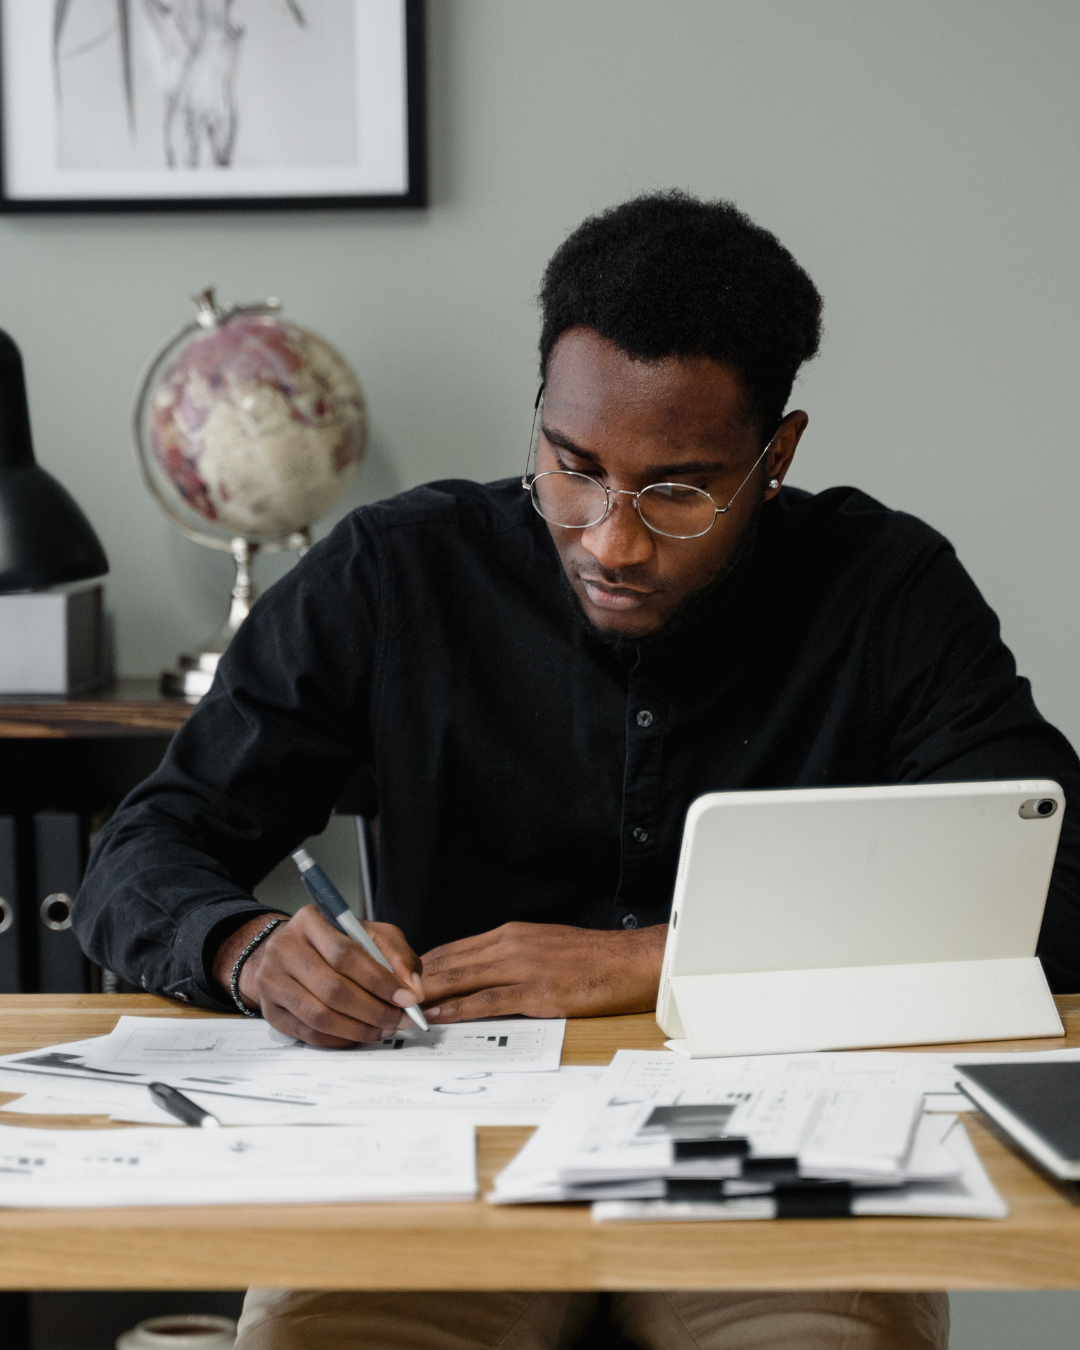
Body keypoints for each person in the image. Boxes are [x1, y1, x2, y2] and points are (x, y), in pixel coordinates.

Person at [75, 192, 1080, 1349]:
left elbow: (1052, 889)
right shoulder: (398, 574)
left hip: (776, 1142)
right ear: (540, 415)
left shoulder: (885, 591)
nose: (612, 537)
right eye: (573, 467)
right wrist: (245, 950)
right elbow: (145, 851)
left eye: (679, 490)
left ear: (777, 455)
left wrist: (658, 964)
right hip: (439, 1146)